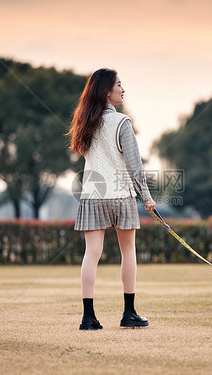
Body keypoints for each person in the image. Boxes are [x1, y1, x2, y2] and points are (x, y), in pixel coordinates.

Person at [67, 68, 155, 330]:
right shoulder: (122, 123)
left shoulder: (85, 123)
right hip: (121, 194)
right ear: (107, 91)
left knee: (91, 254)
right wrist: (147, 198)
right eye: (119, 84)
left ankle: (88, 317)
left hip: (92, 195)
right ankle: (129, 314)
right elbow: (134, 165)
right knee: (128, 250)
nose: (123, 88)